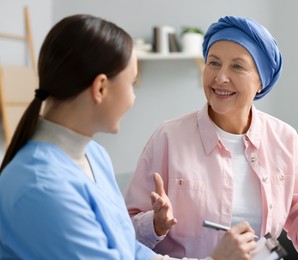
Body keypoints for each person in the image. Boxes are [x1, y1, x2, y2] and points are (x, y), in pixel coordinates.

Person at [0, 14, 257, 260]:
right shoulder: (41, 188)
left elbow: (127, 251)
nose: (133, 98)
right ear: (101, 88)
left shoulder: (94, 155)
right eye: (131, 83)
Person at [124, 15, 298, 259]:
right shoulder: (168, 138)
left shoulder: (285, 141)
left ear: (261, 81)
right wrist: (155, 224)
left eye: (237, 66)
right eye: (214, 63)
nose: (220, 77)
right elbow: (122, 234)